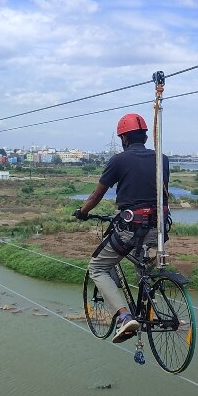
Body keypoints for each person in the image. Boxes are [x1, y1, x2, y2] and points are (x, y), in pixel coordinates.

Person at [73, 112, 169, 343]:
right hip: (159, 227)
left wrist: (83, 212)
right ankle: (148, 305)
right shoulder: (162, 158)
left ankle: (125, 318)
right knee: (143, 264)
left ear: (124, 139)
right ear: (145, 137)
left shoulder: (118, 160)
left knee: (98, 267)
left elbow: (98, 194)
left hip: (131, 227)